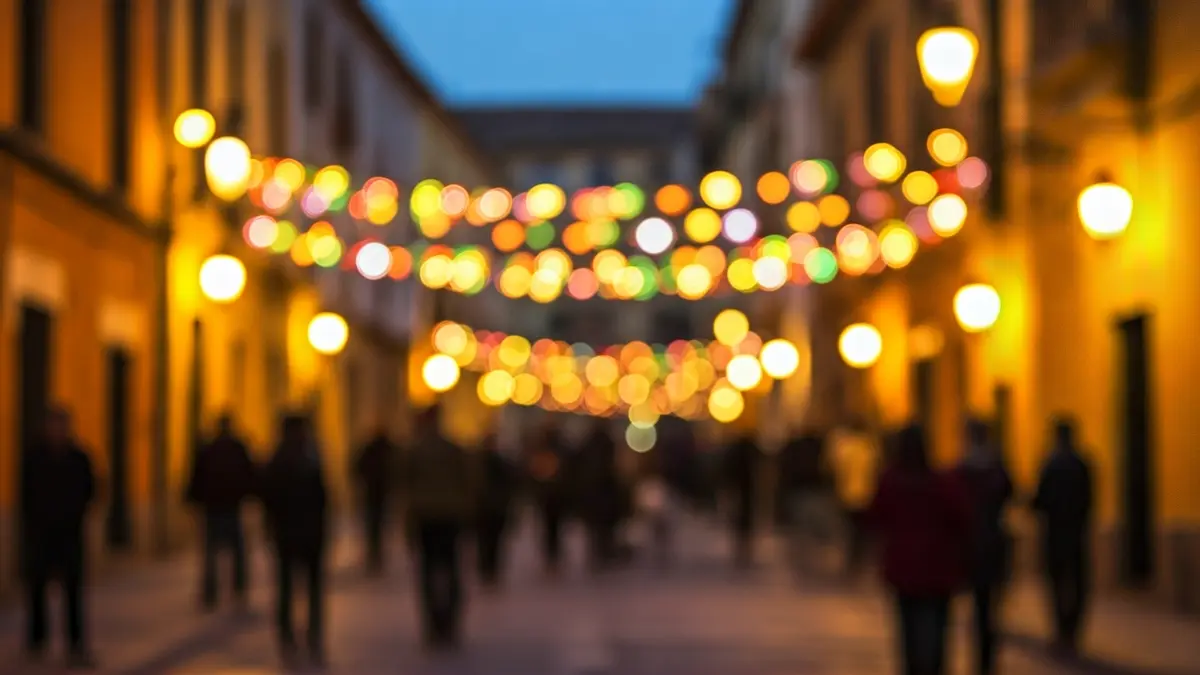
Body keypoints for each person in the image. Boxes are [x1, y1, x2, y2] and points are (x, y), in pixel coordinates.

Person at [869, 425, 971, 675]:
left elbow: (877, 518)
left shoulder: (891, 481)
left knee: (908, 628)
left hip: (905, 569)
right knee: (937, 628)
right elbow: (962, 517)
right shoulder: (941, 481)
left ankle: (913, 668)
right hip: (937, 568)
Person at [21, 407, 96, 669]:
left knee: (73, 591)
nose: (57, 430)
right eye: (53, 425)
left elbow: (92, 489)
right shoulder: (34, 457)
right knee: (36, 588)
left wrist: (77, 512)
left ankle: (75, 645)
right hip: (41, 533)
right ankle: (36, 641)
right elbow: (25, 491)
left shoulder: (79, 457)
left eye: (60, 425)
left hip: (70, 533)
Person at [261, 414, 329, 668]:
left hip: (290, 535)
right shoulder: (310, 460)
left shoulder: (278, 460)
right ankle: (310, 637)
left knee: (288, 589)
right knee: (306, 590)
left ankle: (292, 638)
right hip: (305, 535)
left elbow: (267, 499)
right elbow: (323, 499)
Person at [405, 407, 476, 648]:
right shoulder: (451, 449)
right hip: (447, 516)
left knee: (429, 571)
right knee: (450, 568)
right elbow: (469, 482)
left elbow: (403, 487)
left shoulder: (415, 451)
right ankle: (447, 623)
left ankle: (435, 624)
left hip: (428, 516)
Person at [955, 419, 1014, 675]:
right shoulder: (996, 467)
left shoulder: (964, 469)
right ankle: (986, 660)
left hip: (973, 544)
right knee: (990, 607)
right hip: (993, 543)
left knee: (980, 606)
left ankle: (982, 659)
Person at [1032, 417, 1093, 656]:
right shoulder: (1082, 464)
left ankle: (1061, 630)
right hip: (1076, 533)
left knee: (1057, 583)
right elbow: (1089, 498)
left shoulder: (1050, 464)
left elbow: (1039, 500)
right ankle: (1072, 631)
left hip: (1055, 533)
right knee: (1078, 583)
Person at [186, 412, 255, 610]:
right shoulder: (237, 447)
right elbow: (249, 474)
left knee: (210, 551)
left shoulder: (208, 448)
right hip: (231, 506)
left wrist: (194, 498)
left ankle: (210, 591)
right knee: (237, 551)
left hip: (213, 507)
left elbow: (196, 475)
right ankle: (238, 588)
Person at [830, 421, 880, 579]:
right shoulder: (869, 448)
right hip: (866, 494)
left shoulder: (844, 447)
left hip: (846, 494)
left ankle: (852, 559)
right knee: (861, 529)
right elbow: (876, 469)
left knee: (850, 528)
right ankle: (858, 559)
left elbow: (834, 468)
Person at [577, 421, 621, 572]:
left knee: (596, 528)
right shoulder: (607, 444)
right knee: (601, 528)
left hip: (595, 494)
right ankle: (601, 552)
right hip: (601, 494)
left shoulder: (589, 444)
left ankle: (598, 552)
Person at [475, 432, 517, 588]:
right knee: (490, 540)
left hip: (490, 507)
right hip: (491, 507)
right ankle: (489, 568)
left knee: (488, 540)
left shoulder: (482, 462)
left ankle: (488, 568)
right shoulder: (496, 462)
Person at [353, 427, 395, 575]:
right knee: (376, 524)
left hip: (375, 493)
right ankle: (375, 552)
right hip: (376, 493)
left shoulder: (377, 450)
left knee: (374, 524)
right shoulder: (385, 450)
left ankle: (375, 552)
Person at [529, 427, 568, 575]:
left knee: (551, 528)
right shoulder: (555, 450)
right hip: (551, 496)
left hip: (550, 496)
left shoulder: (544, 450)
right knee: (552, 529)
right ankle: (552, 556)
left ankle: (552, 556)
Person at [723, 432, 761, 567]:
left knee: (741, 523)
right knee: (744, 523)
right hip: (746, 494)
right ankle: (744, 551)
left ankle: (742, 551)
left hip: (742, 493)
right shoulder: (749, 458)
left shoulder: (734, 456)